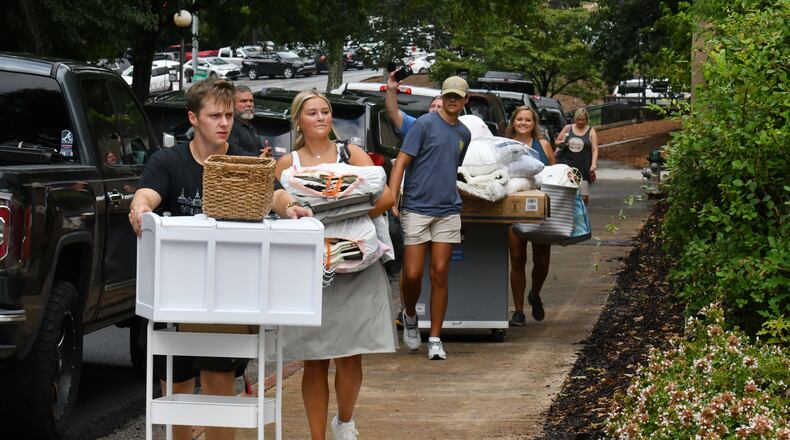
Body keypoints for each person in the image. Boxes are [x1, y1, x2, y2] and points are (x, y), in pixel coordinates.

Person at [128, 78, 311, 440]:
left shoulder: (243, 161)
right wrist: (140, 207)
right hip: (176, 295)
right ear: (193, 118)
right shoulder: (167, 160)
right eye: (215, 115)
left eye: (228, 114)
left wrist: (292, 207)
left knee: (218, 387)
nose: (224, 122)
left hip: (227, 296)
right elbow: (147, 194)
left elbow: (275, 195)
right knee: (176, 390)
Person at [275, 90, 397, 440]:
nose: (321, 118)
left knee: (350, 355)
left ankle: (344, 421)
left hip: (357, 265)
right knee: (314, 359)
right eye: (312, 112)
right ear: (298, 119)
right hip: (311, 274)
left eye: (326, 111)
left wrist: (343, 213)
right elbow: (277, 207)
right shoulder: (288, 165)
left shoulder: (350, 153)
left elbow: (386, 195)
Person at [387, 76, 471, 360]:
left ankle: (435, 337)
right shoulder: (424, 124)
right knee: (411, 273)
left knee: (439, 273)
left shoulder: (464, 133)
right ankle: (410, 314)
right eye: (448, 95)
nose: (451, 100)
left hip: (448, 210)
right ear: (442, 96)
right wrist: (393, 199)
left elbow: (451, 167)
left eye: (457, 97)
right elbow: (401, 162)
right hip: (417, 207)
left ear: (464, 100)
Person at [504, 106, 556, 326]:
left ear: (534, 124)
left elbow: (555, 173)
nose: (523, 123)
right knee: (517, 258)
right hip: (513, 209)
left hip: (539, 211)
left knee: (542, 260)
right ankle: (518, 311)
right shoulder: (504, 145)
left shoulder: (543, 145)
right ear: (513, 122)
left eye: (528, 120)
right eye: (519, 119)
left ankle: (534, 294)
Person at [555, 107, 598, 205]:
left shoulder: (591, 131)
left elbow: (595, 149)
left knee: (584, 196)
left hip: (583, 167)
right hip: (567, 166)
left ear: (586, 120)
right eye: (578, 119)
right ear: (575, 119)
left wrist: (593, 164)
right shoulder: (568, 128)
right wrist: (560, 143)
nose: (581, 122)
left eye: (583, 119)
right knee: (566, 194)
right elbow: (557, 141)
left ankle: (582, 214)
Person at [384, 71, 442, 137]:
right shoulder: (417, 126)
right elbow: (393, 113)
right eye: (432, 106)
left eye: (439, 107)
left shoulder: (452, 130)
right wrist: (390, 89)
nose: (434, 109)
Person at [227, 84, 272, 156]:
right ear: (232, 104)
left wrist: (265, 153)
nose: (249, 104)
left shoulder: (251, 126)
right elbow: (234, 154)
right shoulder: (229, 127)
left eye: (251, 101)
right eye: (243, 101)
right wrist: (259, 158)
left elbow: (257, 152)